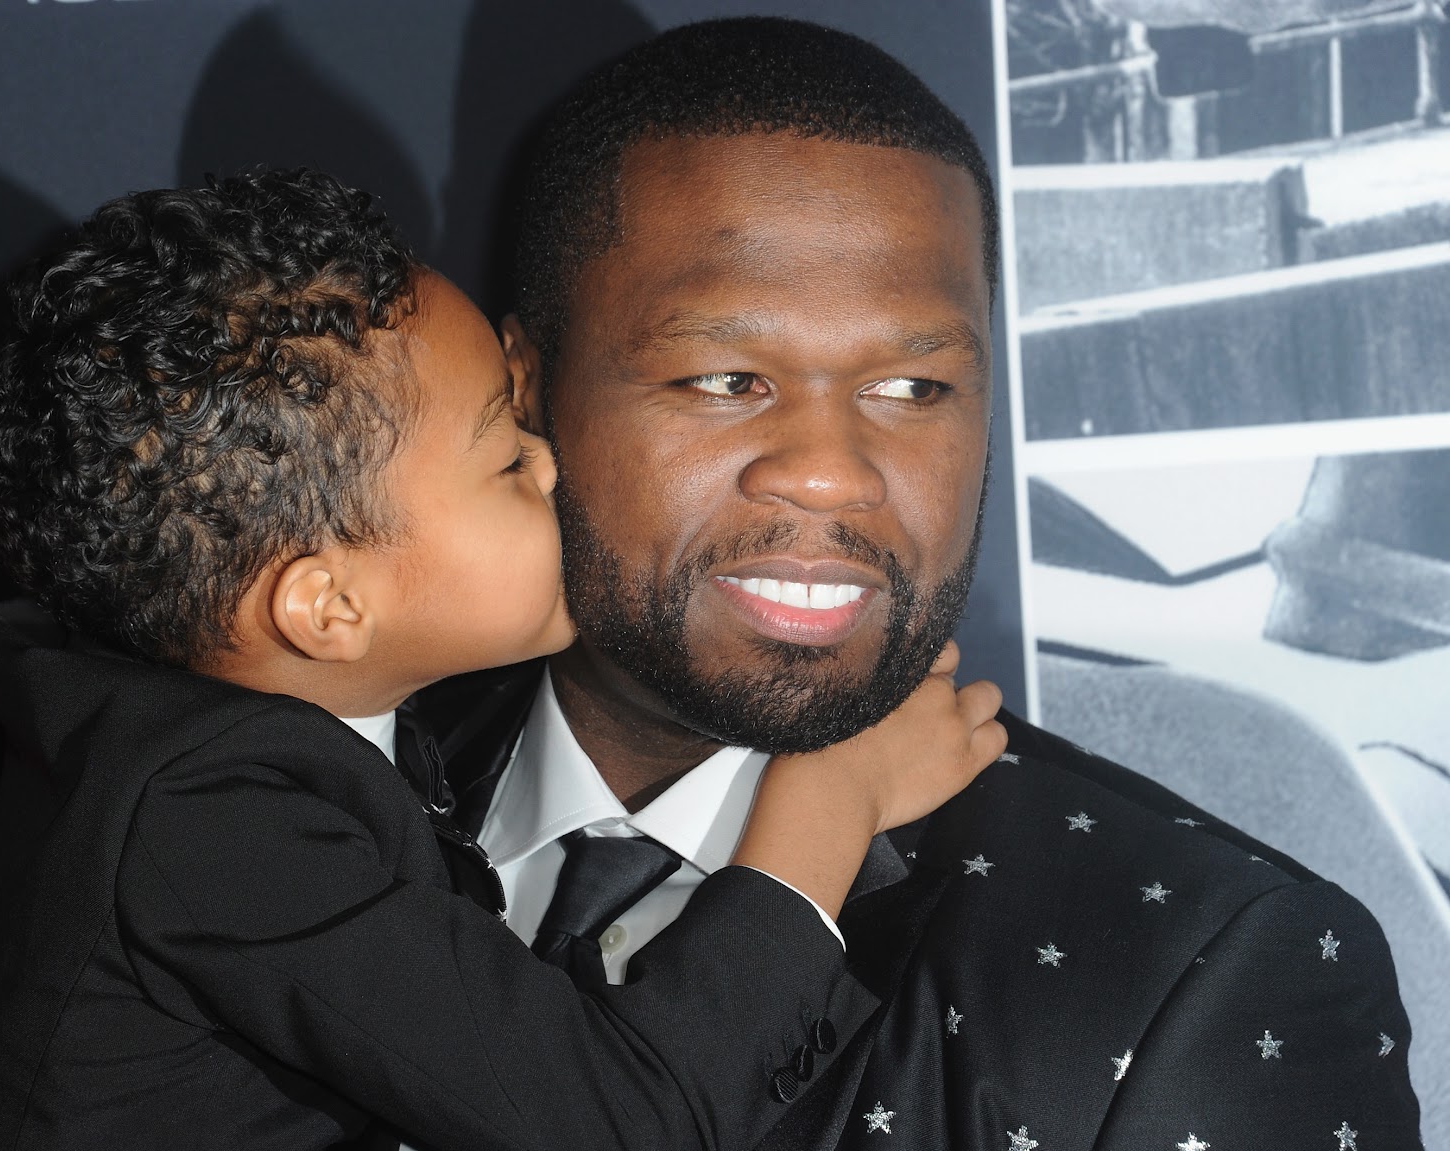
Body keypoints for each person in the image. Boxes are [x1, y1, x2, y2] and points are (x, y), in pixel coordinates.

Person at [404, 17, 1425, 1150]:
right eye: (726, 377)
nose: (832, 474)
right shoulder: (274, 792)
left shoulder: (1201, 978)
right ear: (526, 388)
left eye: (910, 387)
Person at [0, 169, 1008, 1151]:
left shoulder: (202, 739)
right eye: (508, 460)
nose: (559, 468)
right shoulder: (212, 817)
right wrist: (827, 797)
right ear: (328, 605)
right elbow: (622, 1121)